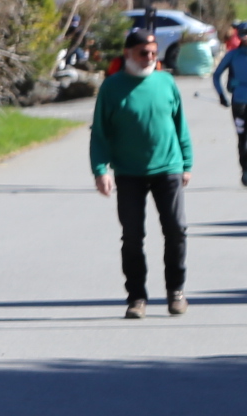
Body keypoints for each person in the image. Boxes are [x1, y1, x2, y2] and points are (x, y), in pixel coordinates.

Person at [91, 24, 192, 320]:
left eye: (153, 52)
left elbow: (180, 124)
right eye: (143, 52)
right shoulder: (112, 87)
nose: (149, 57)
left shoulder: (166, 82)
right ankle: (136, 297)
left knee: (176, 229)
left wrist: (186, 163)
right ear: (128, 54)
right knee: (133, 236)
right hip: (129, 172)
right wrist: (100, 170)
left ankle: (176, 291)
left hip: (168, 167)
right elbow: (100, 133)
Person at [212, 23, 247, 187]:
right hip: (239, 103)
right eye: (243, 33)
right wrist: (221, 95)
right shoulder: (232, 55)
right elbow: (216, 75)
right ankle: (245, 169)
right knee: (242, 138)